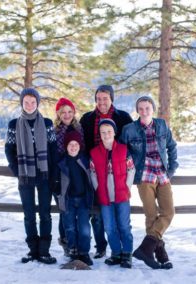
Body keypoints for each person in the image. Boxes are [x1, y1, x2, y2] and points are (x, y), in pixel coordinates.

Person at [120, 96, 178, 270]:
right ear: (137, 110)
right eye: (141, 108)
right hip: (144, 175)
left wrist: (172, 167)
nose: (144, 111)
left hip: (162, 173)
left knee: (169, 212)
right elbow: (123, 151)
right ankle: (160, 255)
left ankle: (146, 248)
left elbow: (171, 146)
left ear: (153, 109)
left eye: (147, 108)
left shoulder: (161, 125)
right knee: (151, 216)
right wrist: (131, 165)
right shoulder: (129, 129)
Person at [4, 87, 57, 264]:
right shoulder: (14, 125)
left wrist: (52, 172)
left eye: (33, 102)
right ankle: (32, 251)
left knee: (45, 214)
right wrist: (17, 170)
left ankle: (44, 251)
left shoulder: (47, 123)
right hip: (25, 175)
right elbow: (9, 150)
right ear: (22, 103)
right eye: (26, 102)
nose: (29, 105)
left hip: (44, 175)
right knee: (29, 215)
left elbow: (53, 150)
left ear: (38, 103)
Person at [80, 84, 133, 259]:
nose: (102, 102)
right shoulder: (87, 119)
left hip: (117, 172)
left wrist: (127, 182)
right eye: (98, 98)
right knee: (98, 214)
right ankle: (101, 247)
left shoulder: (123, 117)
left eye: (105, 98)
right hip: (94, 167)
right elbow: (80, 143)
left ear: (111, 99)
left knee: (120, 220)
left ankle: (123, 252)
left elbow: (130, 144)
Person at [90, 119, 135, 268]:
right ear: (100, 135)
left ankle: (127, 254)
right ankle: (116, 253)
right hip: (105, 196)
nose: (106, 134)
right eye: (103, 132)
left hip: (122, 195)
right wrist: (98, 188)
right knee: (109, 227)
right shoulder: (95, 153)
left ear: (114, 132)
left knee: (124, 225)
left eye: (109, 131)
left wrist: (126, 187)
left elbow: (131, 170)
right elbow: (93, 173)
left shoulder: (123, 149)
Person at [56, 131, 94, 266]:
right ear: (66, 146)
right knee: (70, 227)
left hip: (83, 199)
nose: (73, 147)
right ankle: (73, 251)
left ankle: (84, 252)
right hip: (68, 200)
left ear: (80, 145)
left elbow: (91, 179)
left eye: (76, 144)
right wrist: (58, 194)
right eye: (70, 144)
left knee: (84, 227)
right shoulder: (62, 162)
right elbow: (56, 181)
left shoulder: (85, 160)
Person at [53, 97, 84, 256]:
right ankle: (66, 242)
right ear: (58, 114)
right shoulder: (54, 131)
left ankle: (77, 242)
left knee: (77, 211)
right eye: (63, 112)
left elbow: (82, 151)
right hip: (60, 175)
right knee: (63, 210)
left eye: (70, 111)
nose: (67, 115)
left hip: (76, 175)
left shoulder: (79, 128)